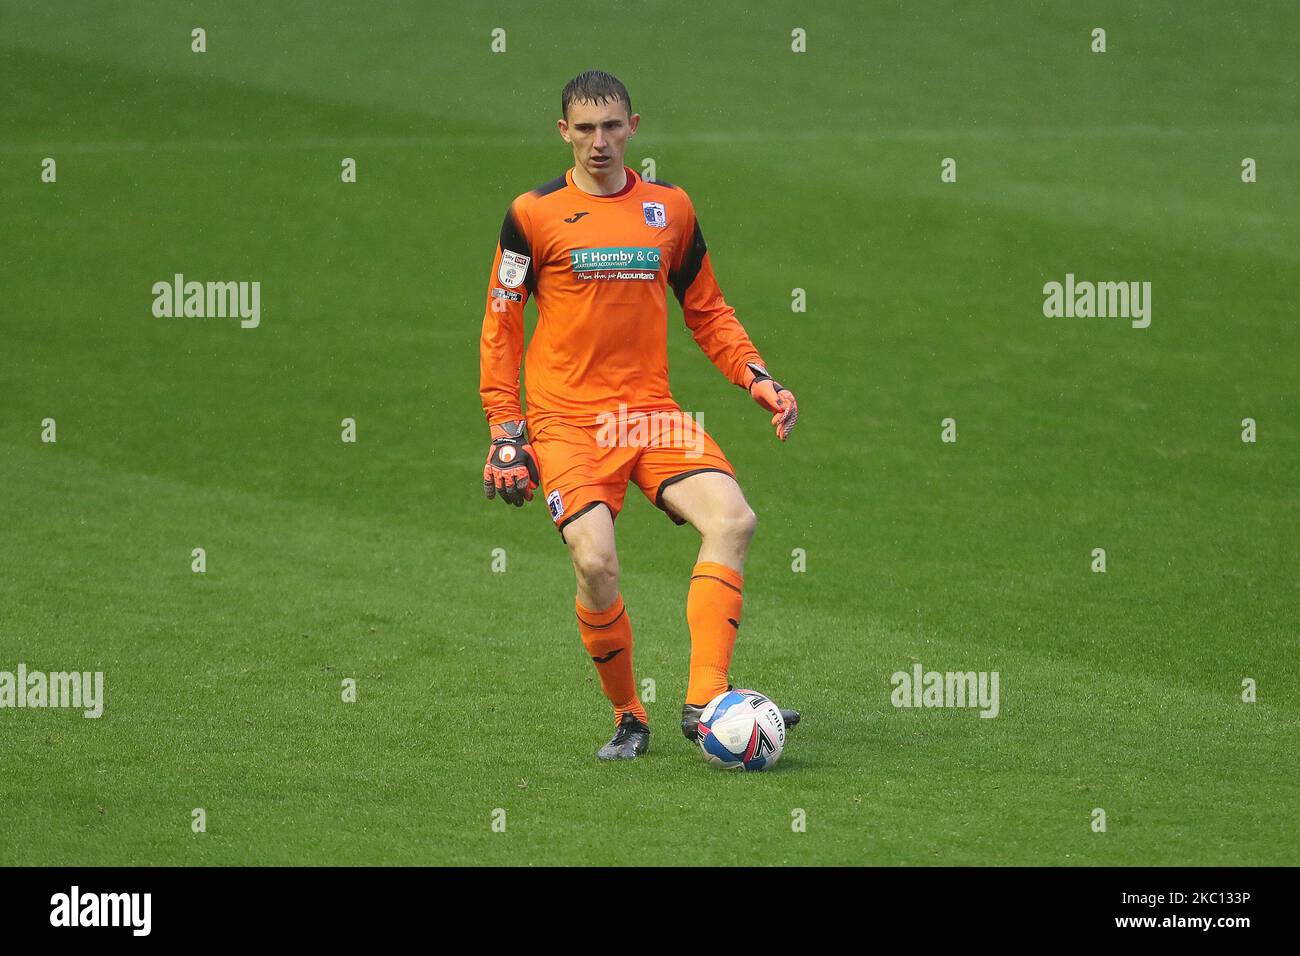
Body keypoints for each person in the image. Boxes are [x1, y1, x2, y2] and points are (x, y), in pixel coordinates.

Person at [479, 70, 800, 759]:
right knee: (595, 564)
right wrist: (507, 433)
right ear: (563, 132)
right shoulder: (532, 215)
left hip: (649, 415)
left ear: (633, 127)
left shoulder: (670, 209)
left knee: (734, 518)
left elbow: (707, 309)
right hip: (567, 424)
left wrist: (757, 378)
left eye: (612, 126)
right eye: (585, 128)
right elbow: (500, 326)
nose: (600, 142)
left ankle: (703, 703)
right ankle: (629, 714)